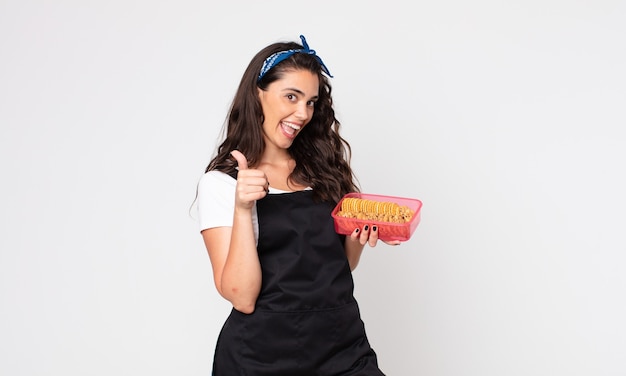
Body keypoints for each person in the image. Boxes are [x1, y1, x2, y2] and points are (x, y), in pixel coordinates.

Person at [196, 34, 399, 375]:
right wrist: (243, 208)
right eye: (291, 96)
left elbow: (338, 268)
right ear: (257, 93)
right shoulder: (223, 183)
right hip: (261, 357)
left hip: (342, 347)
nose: (302, 113)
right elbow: (242, 297)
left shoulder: (325, 170)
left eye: (311, 102)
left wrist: (357, 237)